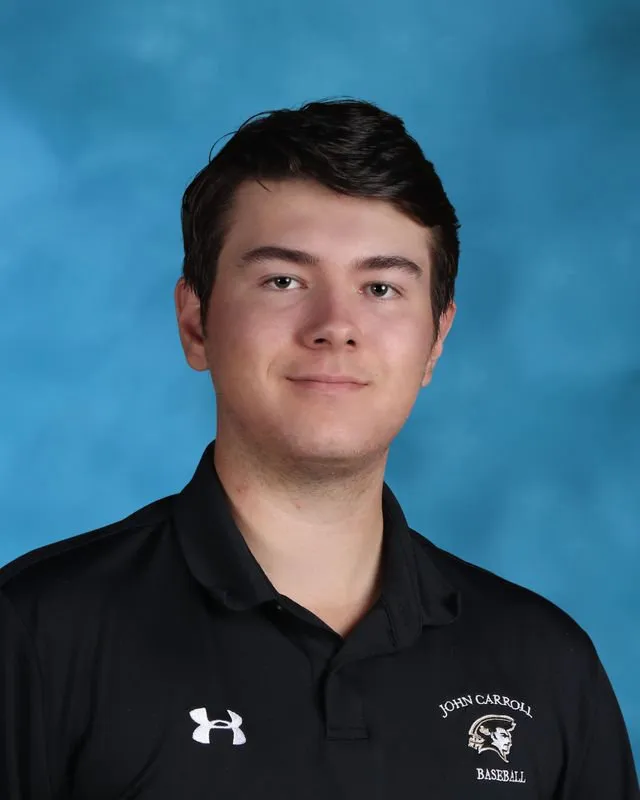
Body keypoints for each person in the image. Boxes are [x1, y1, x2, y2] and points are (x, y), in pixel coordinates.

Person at [1, 98, 637, 799]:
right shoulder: (33, 634)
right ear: (196, 324)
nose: (336, 326)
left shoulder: (545, 664)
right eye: (283, 281)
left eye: (381, 287)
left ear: (436, 341)